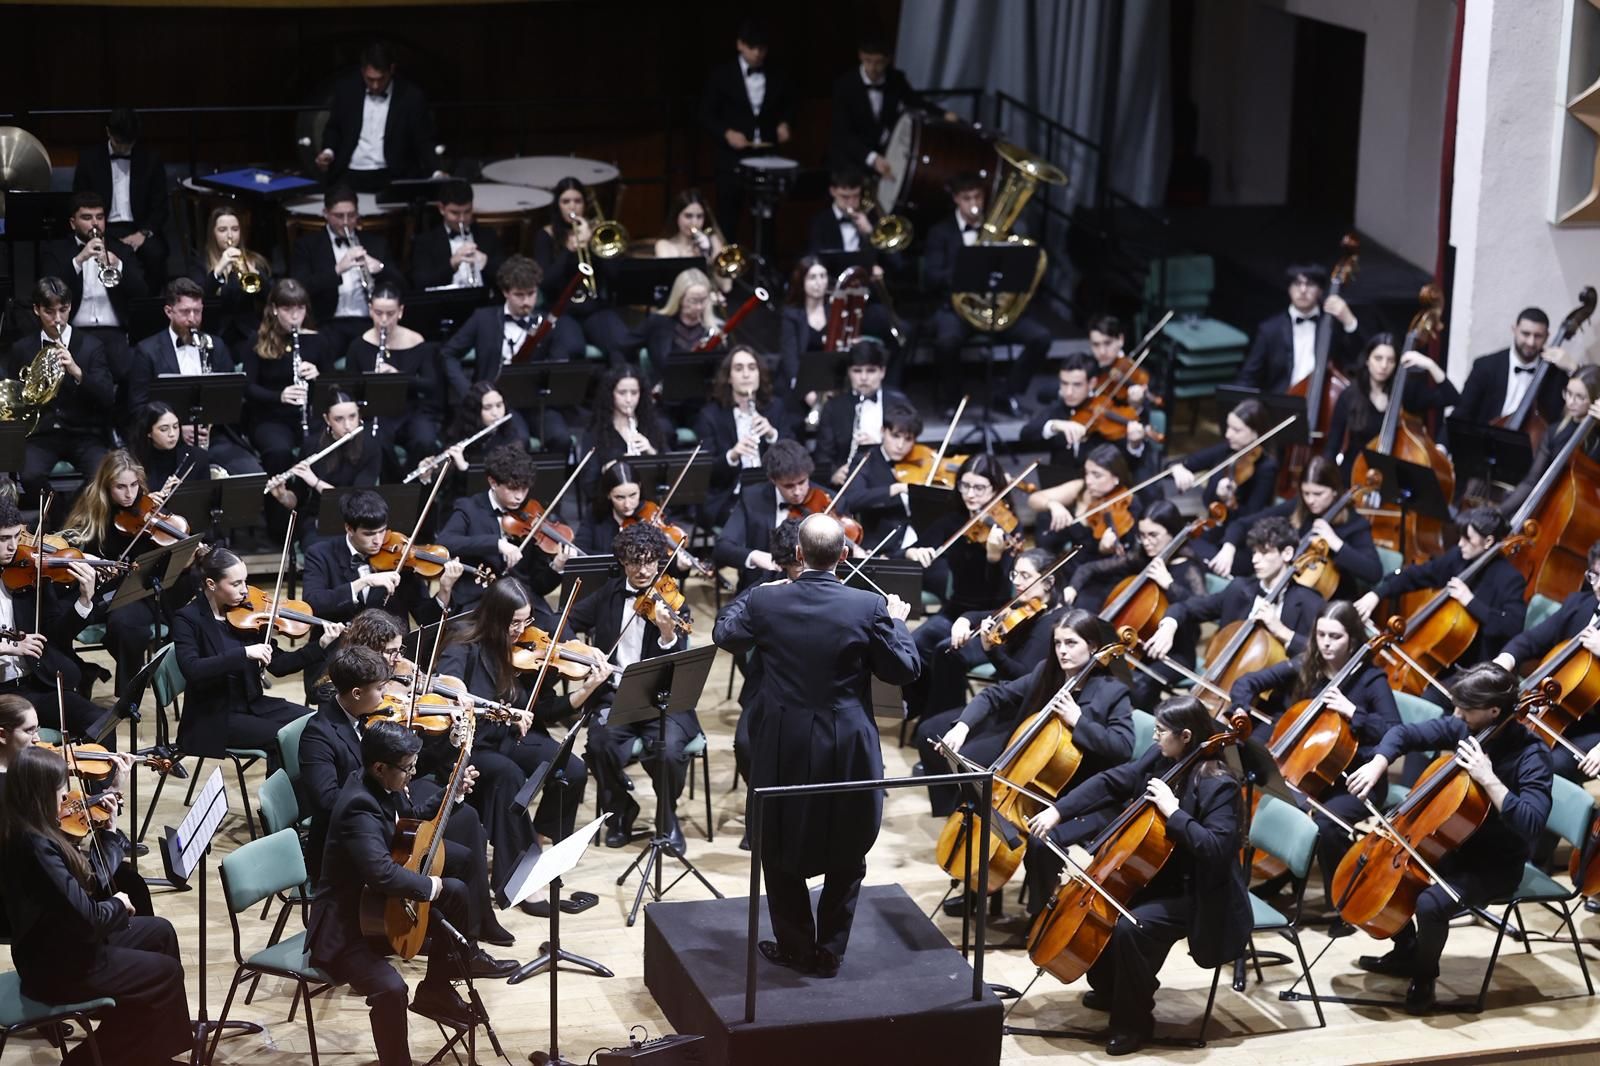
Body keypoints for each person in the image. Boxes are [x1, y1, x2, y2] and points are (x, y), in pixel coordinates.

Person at [713, 513, 919, 977]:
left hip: (784, 738)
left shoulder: (766, 603)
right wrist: (898, 622)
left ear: (798, 555)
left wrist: (757, 593)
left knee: (779, 840)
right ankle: (829, 951)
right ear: (845, 557)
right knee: (848, 841)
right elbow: (904, 669)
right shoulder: (868, 606)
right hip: (847, 740)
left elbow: (725, 633)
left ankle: (796, 947)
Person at [1023, 696, 1252, 1055]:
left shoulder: (1218, 784)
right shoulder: (1163, 758)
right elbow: (1116, 779)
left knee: (1133, 926)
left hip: (1198, 893)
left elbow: (1215, 850)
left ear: (1187, 736)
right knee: (1108, 910)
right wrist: (1058, 811)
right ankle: (1114, 989)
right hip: (1157, 875)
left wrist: (1173, 812)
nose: (1155, 737)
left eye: (1161, 732)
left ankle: (1134, 1023)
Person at [1345, 663, 1553, 1014]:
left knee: (1430, 903)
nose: (1457, 715)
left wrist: (1489, 779)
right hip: (1449, 845)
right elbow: (1406, 734)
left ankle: (1425, 976)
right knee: (1385, 880)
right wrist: (1379, 762)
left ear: (1494, 711)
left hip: (1495, 864)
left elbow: (1531, 822)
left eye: (1466, 709)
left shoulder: (1532, 756)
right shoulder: (1466, 727)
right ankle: (1407, 949)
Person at [297, 645, 518, 969]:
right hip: (352, 841)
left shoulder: (372, 720)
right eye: (379, 688)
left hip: (385, 820)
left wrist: (448, 787)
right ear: (357, 693)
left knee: (465, 855)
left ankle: (463, 939)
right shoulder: (318, 734)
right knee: (445, 873)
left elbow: (406, 770)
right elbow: (329, 801)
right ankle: (454, 947)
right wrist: (382, 794)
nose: (387, 694)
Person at [0, 745, 191, 1066]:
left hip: (65, 945)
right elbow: (89, 917)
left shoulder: (34, 830)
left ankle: (155, 1049)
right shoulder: (34, 846)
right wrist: (117, 905)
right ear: (40, 794)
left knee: (160, 932)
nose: (67, 799)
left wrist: (111, 833)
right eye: (61, 792)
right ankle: (86, 1060)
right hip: (56, 967)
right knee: (165, 973)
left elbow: (86, 885)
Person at [306, 721, 481, 1066]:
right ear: (380, 767)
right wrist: (431, 886)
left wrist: (452, 793)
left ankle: (436, 990)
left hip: (376, 908)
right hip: (344, 927)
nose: (413, 774)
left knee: (458, 893)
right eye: (408, 768)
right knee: (391, 988)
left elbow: (409, 821)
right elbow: (381, 873)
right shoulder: (359, 805)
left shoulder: (384, 783)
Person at [437, 578, 610, 902]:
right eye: (514, 622)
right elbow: (450, 684)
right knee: (508, 775)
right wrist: (473, 698)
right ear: (495, 617)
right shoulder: (463, 644)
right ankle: (514, 878)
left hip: (510, 736)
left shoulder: (526, 651)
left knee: (571, 770)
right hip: (473, 744)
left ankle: (535, 846)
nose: (521, 630)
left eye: (526, 621)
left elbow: (543, 709)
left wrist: (587, 689)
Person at [1228, 601, 1400, 905]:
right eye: (1321, 635)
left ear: (1353, 639)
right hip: (1307, 768)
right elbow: (1247, 682)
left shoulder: (1371, 680)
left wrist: (1353, 712)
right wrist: (1241, 708)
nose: (1326, 644)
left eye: (1335, 637)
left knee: (1326, 826)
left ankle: (1341, 901)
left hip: (1357, 776)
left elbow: (1394, 730)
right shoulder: (1307, 664)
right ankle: (1279, 875)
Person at [924, 609, 1134, 822]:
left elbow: (1122, 747)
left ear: (1092, 647)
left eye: (1071, 643)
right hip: (1024, 761)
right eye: (1057, 643)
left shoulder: (1112, 691)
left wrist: (1078, 721)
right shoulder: (1048, 672)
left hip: (1068, 781)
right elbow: (994, 695)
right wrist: (962, 727)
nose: (1062, 651)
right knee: (967, 767)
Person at [566, 523, 694, 851]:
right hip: (616, 692)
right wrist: (585, 651)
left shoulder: (673, 600)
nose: (643, 570)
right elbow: (565, 622)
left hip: (661, 697)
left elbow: (679, 662)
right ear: (623, 562)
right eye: (635, 562)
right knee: (598, 744)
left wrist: (667, 635)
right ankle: (622, 809)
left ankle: (668, 816)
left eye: (650, 561)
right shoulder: (608, 594)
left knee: (670, 751)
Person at [172, 547, 336, 771]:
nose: (245, 591)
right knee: (284, 739)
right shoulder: (188, 619)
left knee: (316, 724)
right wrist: (244, 653)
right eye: (236, 584)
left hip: (253, 704)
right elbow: (192, 669)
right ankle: (277, 803)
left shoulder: (248, 615)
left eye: (245, 582)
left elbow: (279, 665)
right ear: (211, 584)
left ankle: (307, 795)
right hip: (214, 716)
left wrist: (320, 646)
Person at [924, 172, 1054, 413]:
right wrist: (965, 268)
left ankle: (1007, 394)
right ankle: (951, 401)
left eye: (977, 197)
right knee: (947, 341)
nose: (973, 204)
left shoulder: (1002, 230)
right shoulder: (940, 232)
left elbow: (1018, 270)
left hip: (994, 308)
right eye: (966, 198)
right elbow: (931, 276)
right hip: (956, 309)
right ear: (955, 199)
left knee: (1040, 337)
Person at [1355, 506, 1528, 684]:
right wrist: (1377, 594)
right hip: (1444, 664)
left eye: (1468, 539)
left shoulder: (1510, 579)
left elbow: (1511, 626)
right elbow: (1418, 574)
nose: (1460, 543)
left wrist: (1470, 601)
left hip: (1474, 672)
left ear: (1488, 541)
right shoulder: (1459, 558)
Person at [901, 455, 1017, 720]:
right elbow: (906, 550)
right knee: (911, 644)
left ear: (995, 490)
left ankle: (945, 722)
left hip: (990, 619)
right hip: (954, 610)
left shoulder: (1006, 527)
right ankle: (920, 707)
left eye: (979, 488)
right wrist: (914, 553)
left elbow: (1000, 590)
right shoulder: (953, 521)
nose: (970, 494)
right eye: (965, 486)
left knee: (946, 651)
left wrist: (993, 558)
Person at [1069, 500, 1208, 708]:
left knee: (1141, 686)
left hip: (1174, 651)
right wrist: (1071, 588)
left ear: (1172, 533)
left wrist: (1169, 584)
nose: (1146, 542)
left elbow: (1200, 607)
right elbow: (1089, 569)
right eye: (1142, 535)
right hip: (1135, 644)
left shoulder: (1189, 568)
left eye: (1153, 535)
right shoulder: (1144, 558)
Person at [437, 254, 574, 449]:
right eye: (519, 295)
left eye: (531, 293)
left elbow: (559, 362)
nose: (526, 301)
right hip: (496, 404)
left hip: (536, 401)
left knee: (561, 438)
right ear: (505, 292)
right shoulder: (483, 319)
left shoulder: (548, 323)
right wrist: (469, 393)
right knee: (519, 442)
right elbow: (448, 353)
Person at [1144, 515, 1324, 663]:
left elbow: (1321, 654)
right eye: (1254, 552)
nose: (1255, 560)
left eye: (1264, 552)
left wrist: (1282, 632)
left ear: (1287, 554)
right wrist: (1169, 625)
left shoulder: (1310, 602)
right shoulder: (1239, 589)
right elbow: (1187, 607)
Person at [131, 277, 263, 475]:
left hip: (214, 437)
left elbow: (232, 398)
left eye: (198, 311)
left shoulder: (216, 345)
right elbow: (138, 406)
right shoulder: (147, 351)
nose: (192, 318)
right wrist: (174, 428)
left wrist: (210, 424)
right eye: (185, 312)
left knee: (251, 474)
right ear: (169, 311)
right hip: (166, 443)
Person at [1492, 539, 1600, 782]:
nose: (1599, 586)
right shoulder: (1579, 604)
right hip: (1555, 709)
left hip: (1593, 730)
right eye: (1595, 575)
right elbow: (1532, 639)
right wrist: (1504, 660)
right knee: (1496, 738)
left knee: (1545, 764)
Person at [0, 498, 106, 737]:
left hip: (34, 685)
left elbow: (58, 635)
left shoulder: (30, 574)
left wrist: (84, 601)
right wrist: (9, 647)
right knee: (25, 741)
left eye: (17, 536)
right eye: (4, 539)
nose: (13, 546)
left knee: (100, 723)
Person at [1211, 455, 1382, 599]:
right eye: (1306, 493)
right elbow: (1243, 524)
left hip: (1326, 600)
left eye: (1318, 494)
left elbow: (1373, 572)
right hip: (1286, 590)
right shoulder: (1299, 508)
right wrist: (1229, 546)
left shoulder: (1355, 524)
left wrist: (1335, 542)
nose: (1310, 500)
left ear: (1335, 490)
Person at [9, 277, 115, 496]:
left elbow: (107, 397)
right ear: (37, 310)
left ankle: (75, 516)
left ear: (70, 307)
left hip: (84, 433)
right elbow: (15, 399)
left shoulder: (91, 346)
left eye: (63, 310)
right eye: (49, 311)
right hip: (42, 435)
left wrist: (77, 372)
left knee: (100, 475)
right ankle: (58, 516)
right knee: (29, 475)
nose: (58, 318)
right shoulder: (22, 348)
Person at [301, 489, 462, 632]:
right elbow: (313, 604)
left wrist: (445, 590)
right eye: (369, 534)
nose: (378, 540)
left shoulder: (401, 559)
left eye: (382, 531)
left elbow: (426, 619)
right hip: (338, 650)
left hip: (389, 653)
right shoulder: (320, 554)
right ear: (349, 528)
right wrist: (363, 582)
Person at [436, 443, 569, 613]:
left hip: (524, 603)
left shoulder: (534, 516)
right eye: (512, 488)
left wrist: (557, 567)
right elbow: (445, 542)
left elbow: (538, 586)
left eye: (524, 488)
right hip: (480, 601)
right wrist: (497, 544)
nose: (520, 496)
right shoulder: (469, 508)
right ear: (493, 482)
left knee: (561, 631)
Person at [38, 190, 148, 388]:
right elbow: (48, 291)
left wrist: (118, 266)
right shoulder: (56, 251)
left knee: (129, 371)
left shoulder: (121, 250)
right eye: (87, 218)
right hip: (74, 332)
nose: (95, 224)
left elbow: (142, 291)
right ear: (73, 223)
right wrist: (79, 260)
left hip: (114, 332)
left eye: (99, 217)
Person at [700, 17, 795, 237]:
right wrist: (726, 133)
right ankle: (727, 268)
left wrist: (785, 124)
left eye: (762, 49)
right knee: (728, 217)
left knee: (766, 220)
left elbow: (790, 105)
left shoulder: (778, 74)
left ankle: (767, 268)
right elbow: (705, 114)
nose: (757, 54)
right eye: (752, 48)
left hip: (767, 156)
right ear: (740, 45)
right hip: (732, 159)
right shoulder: (722, 75)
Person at [347, 280, 451, 466]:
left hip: (411, 410)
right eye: (378, 313)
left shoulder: (417, 342)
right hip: (377, 411)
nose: (384, 320)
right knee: (377, 441)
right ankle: (393, 488)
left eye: (390, 314)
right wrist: (372, 380)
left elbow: (431, 385)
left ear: (400, 311)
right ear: (370, 310)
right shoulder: (358, 346)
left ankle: (416, 487)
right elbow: (349, 389)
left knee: (425, 440)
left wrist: (399, 377)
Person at [289, 184, 402, 355]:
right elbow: (299, 288)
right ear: (326, 213)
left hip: (368, 322)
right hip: (327, 322)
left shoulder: (376, 243)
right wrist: (336, 270)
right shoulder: (307, 246)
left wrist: (380, 268)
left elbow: (403, 286)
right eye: (338, 216)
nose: (346, 222)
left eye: (351, 215)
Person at [313, 40, 440, 192]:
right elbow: (334, 128)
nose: (375, 85)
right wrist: (328, 152)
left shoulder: (411, 96)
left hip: (393, 174)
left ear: (392, 70)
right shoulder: (346, 90)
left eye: (381, 79)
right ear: (362, 72)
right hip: (351, 172)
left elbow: (423, 140)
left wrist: (436, 171)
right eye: (370, 79)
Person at [1324, 333, 1457, 475]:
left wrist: (1429, 365)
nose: (1383, 365)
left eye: (1391, 360)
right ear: (1367, 360)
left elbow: (1451, 397)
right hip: (1354, 472)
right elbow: (1333, 445)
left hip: (1393, 475)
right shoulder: (1349, 395)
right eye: (1378, 358)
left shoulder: (1406, 393)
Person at [530, 177, 632, 360]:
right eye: (566, 201)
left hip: (594, 308)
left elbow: (614, 276)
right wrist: (569, 251)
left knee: (621, 343)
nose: (572, 207)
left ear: (585, 204)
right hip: (561, 310)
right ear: (557, 205)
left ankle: (622, 387)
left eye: (577, 201)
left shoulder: (596, 232)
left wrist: (594, 247)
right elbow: (545, 282)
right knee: (571, 348)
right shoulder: (546, 235)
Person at [1167, 398, 1279, 562]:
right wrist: (1177, 468)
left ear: (1256, 433)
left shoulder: (1266, 468)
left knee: (1186, 554)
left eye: (1236, 430)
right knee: (1174, 545)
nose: (1227, 434)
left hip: (1241, 544)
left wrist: (1230, 502)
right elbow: (1181, 465)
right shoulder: (1227, 450)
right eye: (1228, 427)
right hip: (1214, 530)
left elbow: (1250, 518)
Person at [72, 107, 169, 286]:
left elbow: (160, 206)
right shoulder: (90, 159)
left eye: (128, 144)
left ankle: (149, 306)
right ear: (108, 132)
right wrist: (95, 231)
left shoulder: (151, 160)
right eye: (119, 143)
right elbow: (79, 200)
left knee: (156, 254)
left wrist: (143, 233)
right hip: (102, 227)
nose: (124, 148)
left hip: (139, 227)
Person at [242, 278, 330, 476]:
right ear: (274, 309)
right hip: (270, 418)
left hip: (309, 416)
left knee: (324, 448)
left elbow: (333, 386)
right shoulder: (256, 341)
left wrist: (318, 377)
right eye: (287, 309)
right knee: (278, 451)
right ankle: (278, 503)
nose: (295, 316)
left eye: (300, 309)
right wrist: (279, 396)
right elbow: (247, 387)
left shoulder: (317, 340)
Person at [1021, 353, 1151, 483]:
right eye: (1064, 384)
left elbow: (1129, 464)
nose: (1068, 392)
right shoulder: (1057, 409)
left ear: (1092, 383)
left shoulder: (1108, 407)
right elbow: (1025, 435)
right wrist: (1054, 426)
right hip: (1061, 485)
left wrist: (1134, 444)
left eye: (1077, 385)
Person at [695, 345, 789, 525]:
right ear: (729, 377)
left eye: (752, 368)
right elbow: (706, 472)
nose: (746, 374)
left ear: (759, 374)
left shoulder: (776, 407)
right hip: (730, 496)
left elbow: (794, 455)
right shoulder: (710, 415)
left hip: (772, 491)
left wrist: (772, 435)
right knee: (755, 520)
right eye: (739, 369)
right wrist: (732, 455)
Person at [1234, 262, 1361, 395]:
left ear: (1320, 290)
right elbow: (1248, 377)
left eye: (1310, 284)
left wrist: (1349, 321)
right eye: (1297, 284)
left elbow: (1359, 359)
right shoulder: (1270, 330)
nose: (1303, 290)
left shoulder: (1333, 326)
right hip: (1283, 403)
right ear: (1289, 288)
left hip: (1325, 399)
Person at [715, 439, 821, 591]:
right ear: (773, 480)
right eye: (789, 486)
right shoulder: (751, 498)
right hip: (762, 587)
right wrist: (756, 556)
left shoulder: (827, 498)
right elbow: (722, 547)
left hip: (815, 591)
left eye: (802, 482)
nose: (797, 492)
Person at [827, 30, 938, 176]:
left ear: (888, 60)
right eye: (868, 61)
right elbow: (843, 134)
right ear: (860, 56)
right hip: (853, 156)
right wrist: (872, 158)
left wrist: (943, 114)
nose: (872, 68)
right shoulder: (844, 86)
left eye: (878, 62)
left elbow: (915, 101)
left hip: (885, 151)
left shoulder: (896, 79)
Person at [1496, 365, 1600, 517]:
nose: (1571, 401)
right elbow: (1532, 481)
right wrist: (1499, 511)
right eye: (1568, 393)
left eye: (1580, 397)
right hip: (1548, 511)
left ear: (1595, 399)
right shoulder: (1555, 431)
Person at [264, 389, 382, 521]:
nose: (348, 426)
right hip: (318, 518)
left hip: (357, 521)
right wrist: (283, 496)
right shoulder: (312, 445)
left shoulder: (371, 447)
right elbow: (296, 501)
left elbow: (356, 502)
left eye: (352, 416)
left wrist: (315, 482)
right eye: (339, 419)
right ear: (327, 419)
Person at [1452, 306, 1570, 432]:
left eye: (1538, 336)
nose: (1531, 342)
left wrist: (1573, 368)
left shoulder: (1556, 375)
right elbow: (1462, 413)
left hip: (1532, 449)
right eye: (1525, 334)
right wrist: (1440, 448)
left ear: (1547, 336)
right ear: (1514, 330)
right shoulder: (1486, 366)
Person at [1025, 442, 1147, 560]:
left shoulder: (1129, 503)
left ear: (1116, 478)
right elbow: (1034, 499)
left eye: (1097, 475)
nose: (1088, 480)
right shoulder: (1081, 487)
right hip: (1065, 560)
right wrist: (1053, 505)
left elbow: (1131, 551)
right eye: (1087, 473)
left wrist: (1104, 549)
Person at [812, 339, 908, 486]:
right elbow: (823, 455)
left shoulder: (899, 402)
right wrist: (833, 474)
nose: (863, 378)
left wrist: (880, 444)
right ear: (849, 373)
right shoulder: (833, 407)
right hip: (847, 484)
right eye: (857, 371)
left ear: (882, 372)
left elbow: (909, 443)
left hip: (892, 480)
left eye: (871, 371)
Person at [837, 400, 923, 550]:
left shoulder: (922, 461)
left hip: (921, 539)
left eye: (908, 439)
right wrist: (894, 489)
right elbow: (851, 499)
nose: (901, 445)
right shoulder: (865, 459)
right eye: (895, 436)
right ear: (883, 431)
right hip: (882, 545)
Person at [188, 206, 270, 349]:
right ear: (212, 233)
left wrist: (256, 274)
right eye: (222, 230)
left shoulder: (254, 260)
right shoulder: (199, 264)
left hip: (249, 333)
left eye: (235, 229)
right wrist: (218, 270)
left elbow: (271, 297)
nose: (230, 236)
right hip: (215, 334)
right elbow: (197, 298)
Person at [410, 179, 503, 290]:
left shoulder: (488, 236)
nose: (462, 219)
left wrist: (486, 263)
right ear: (441, 209)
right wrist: (451, 265)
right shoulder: (425, 242)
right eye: (455, 213)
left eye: (467, 211)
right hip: (444, 304)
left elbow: (507, 279)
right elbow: (420, 283)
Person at [629, 265, 725, 369]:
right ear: (679, 298)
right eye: (693, 300)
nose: (699, 307)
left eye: (703, 300)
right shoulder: (657, 323)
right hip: (666, 383)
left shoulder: (716, 329)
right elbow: (626, 347)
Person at [584, 364, 671, 477]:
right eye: (622, 393)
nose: (629, 400)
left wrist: (651, 452)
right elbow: (588, 481)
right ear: (611, 394)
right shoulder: (595, 431)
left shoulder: (651, 425)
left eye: (634, 393)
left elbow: (671, 472)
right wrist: (611, 469)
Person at [652, 193, 732, 293]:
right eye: (688, 216)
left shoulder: (712, 240)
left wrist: (709, 254)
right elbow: (671, 284)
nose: (694, 222)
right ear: (677, 216)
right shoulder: (664, 245)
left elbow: (726, 287)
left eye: (699, 216)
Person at [126, 401, 212, 490]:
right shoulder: (132, 462)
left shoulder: (198, 457)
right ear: (149, 432)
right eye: (164, 429)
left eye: (175, 427)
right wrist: (147, 501)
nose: (172, 434)